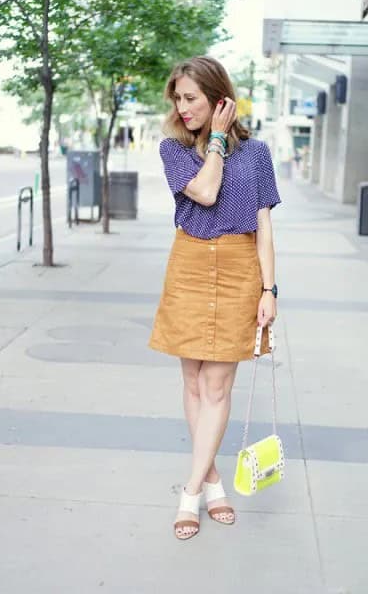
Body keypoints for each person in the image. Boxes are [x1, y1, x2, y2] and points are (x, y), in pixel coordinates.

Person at [148, 56, 282, 541]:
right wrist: (218, 143)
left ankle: (191, 491)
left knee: (217, 386)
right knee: (192, 379)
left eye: (191, 98)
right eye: (178, 99)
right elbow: (205, 192)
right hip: (189, 265)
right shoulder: (174, 149)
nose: (182, 108)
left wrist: (269, 288)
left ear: (218, 98)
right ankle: (214, 482)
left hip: (239, 268)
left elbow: (264, 224)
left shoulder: (259, 153)